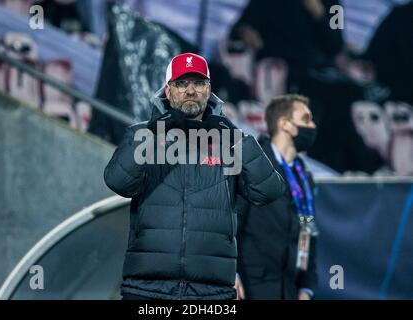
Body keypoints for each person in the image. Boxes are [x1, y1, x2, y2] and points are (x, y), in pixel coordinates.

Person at [104, 52, 285, 300]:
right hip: (147, 288)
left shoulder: (230, 141)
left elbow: (269, 191)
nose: (190, 90)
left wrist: (235, 136)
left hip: (211, 291)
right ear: (168, 91)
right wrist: (155, 130)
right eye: (181, 83)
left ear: (208, 90)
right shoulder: (142, 134)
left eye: (198, 83)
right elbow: (118, 181)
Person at [235, 94, 319, 300]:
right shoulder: (253, 164)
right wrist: (231, 274)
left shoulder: (303, 174)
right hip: (252, 287)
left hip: (289, 289)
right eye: (306, 119)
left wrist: (306, 287)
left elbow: (309, 232)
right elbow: (230, 224)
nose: (313, 126)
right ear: (285, 124)